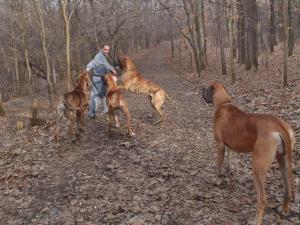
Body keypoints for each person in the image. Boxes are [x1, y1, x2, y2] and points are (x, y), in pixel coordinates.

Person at [86, 44, 117, 118]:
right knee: (96, 96)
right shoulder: (99, 56)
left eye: (108, 50)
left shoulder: (103, 57)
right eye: (105, 49)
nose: (107, 51)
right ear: (102, 49)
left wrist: (112, 69)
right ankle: (92, 113)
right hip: (98, 79)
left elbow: (106, 65)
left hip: (101, 79)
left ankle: (105, 109)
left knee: (101, 95)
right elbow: (93, 62)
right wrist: (88, 68)